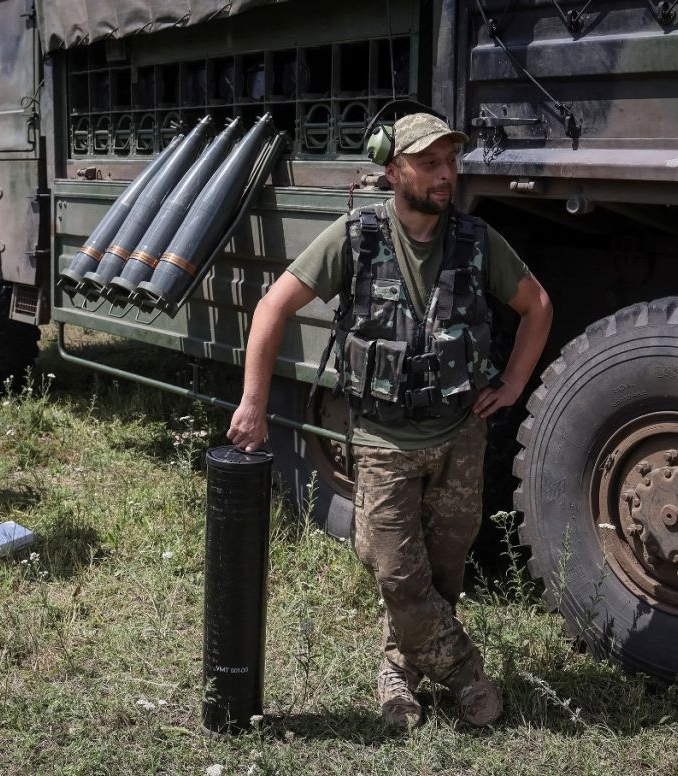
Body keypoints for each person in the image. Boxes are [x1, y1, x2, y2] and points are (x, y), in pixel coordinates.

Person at [227, 113, 552, 729]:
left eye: (450, 162)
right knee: (399, 574)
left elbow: (537, 306)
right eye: (429, 163)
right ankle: (466, 672)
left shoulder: (477, 241)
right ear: (393, 167)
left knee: (443, 574)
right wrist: (253, 402)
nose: (445, 175)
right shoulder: (355, 237)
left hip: (460, 436)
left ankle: (398, 669)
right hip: (382, 440)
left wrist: (511, 384)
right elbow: (273, 306)